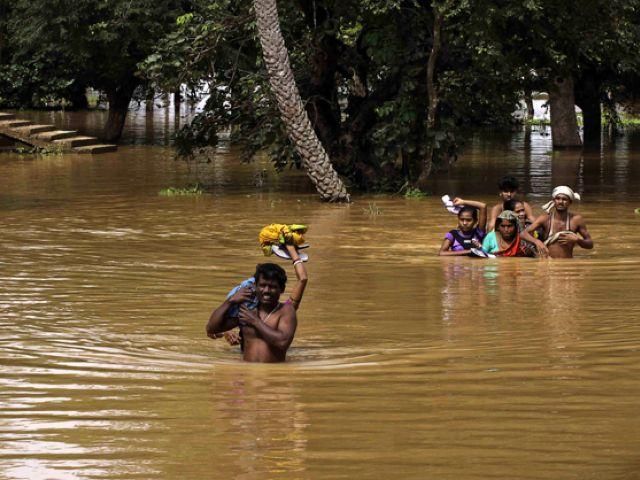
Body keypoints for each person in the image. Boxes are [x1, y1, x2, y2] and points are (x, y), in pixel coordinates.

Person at [206, 262, 298, 363]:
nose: (266, 290)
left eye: (272, 287)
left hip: (272, 376)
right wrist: (230, 301)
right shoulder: (247, 310)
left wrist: (255, 321)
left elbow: (282, 342)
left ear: (282, 289)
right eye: (262, 285)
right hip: (246, 374)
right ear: (255, 286)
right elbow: (212, 328)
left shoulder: (286, 311)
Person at [520, 186, 594, 258]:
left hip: (568, 266)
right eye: (558, 199)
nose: (560, 202)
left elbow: (590, 244)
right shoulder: (545, 219)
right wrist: (536, 242)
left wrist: (578, 240)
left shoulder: (576, 220)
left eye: (564, 199)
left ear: (570, 202)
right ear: (553, 201)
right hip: (548, 265)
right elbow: (523, 233)